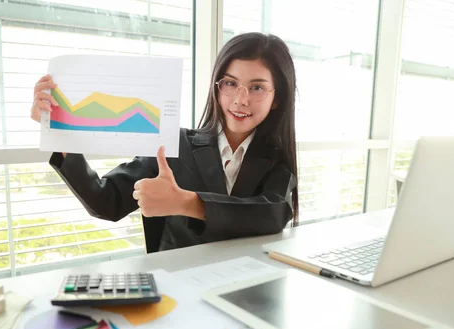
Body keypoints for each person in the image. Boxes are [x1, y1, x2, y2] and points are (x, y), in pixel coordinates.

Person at [30, 32, 299, 253]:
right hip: (178, 290)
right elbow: (105, 202)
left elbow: (274, 214)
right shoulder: (174, 143)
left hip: (246, 290)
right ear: (217, 87)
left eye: (257, 87)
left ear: (277, 98)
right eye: (230, 83)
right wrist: (59, 131)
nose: (241, 99)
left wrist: (185, 203)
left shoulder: (275, 161)